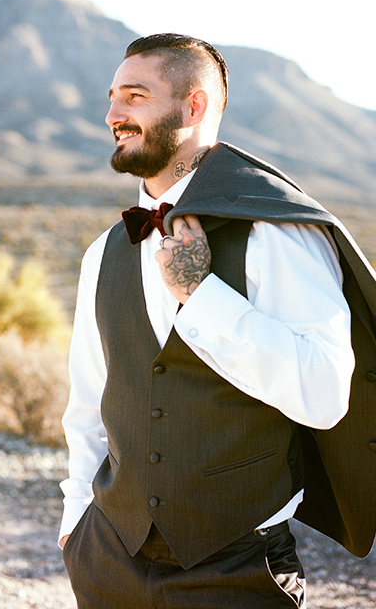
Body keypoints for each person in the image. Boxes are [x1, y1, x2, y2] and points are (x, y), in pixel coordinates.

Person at [59, 33, 376, 608]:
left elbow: (326, 392)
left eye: (134, 96)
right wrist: (76, 520)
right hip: (107, 561)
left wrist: (201, 297)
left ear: (194, 106)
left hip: (236, 569)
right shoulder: (104, 252)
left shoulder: (278, 232)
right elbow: (89, 405)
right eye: (111, 98)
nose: (112, 115)